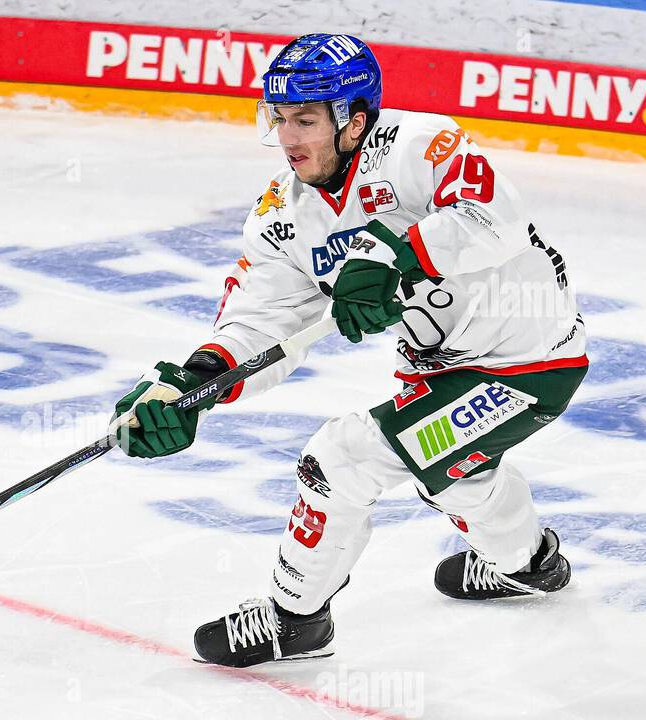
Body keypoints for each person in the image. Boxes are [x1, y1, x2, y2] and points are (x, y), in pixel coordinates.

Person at [111, 33, 589, 667]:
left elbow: (494, 216)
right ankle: (530, 565)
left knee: (341, 458)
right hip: (436, 364)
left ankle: (295, 618)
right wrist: (194, 384)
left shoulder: (420, 146)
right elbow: (263, 320)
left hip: (529, 362)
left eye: (306, 119)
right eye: (278, 118)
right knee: (459, 477)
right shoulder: (283, 212)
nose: (288, 136)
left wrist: (403, 256)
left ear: (354, 119)